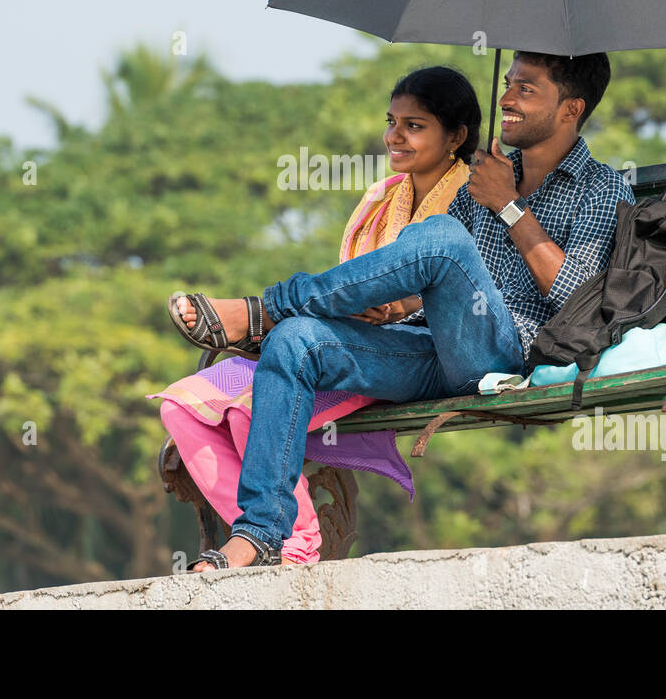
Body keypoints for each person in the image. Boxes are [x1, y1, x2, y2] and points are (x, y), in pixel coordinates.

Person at [170, 50, 636, 571]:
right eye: (508, 84)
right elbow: (446, 280)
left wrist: (509, 207)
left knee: (436, 236)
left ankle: (267, 309)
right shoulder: (489, 176)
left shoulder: (601, 187)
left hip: (512, 358)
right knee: (296, 340)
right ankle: (261, 532)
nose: (506, 98)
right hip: (433, 345)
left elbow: (578, 300)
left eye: (526, 90)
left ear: (571, 109)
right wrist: (394, 307)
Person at [152, 65, 482, 567]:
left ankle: (289, 544)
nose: (395, 135)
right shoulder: (383, 199)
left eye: (414, 126)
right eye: (392, 121)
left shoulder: (478, 197)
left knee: (247, 406)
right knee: (182, 406)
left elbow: (471, 296)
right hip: (352, 335)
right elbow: (359, 275)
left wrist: (406, 304)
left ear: (456, 135)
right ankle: (273, 537)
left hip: (424, 349)